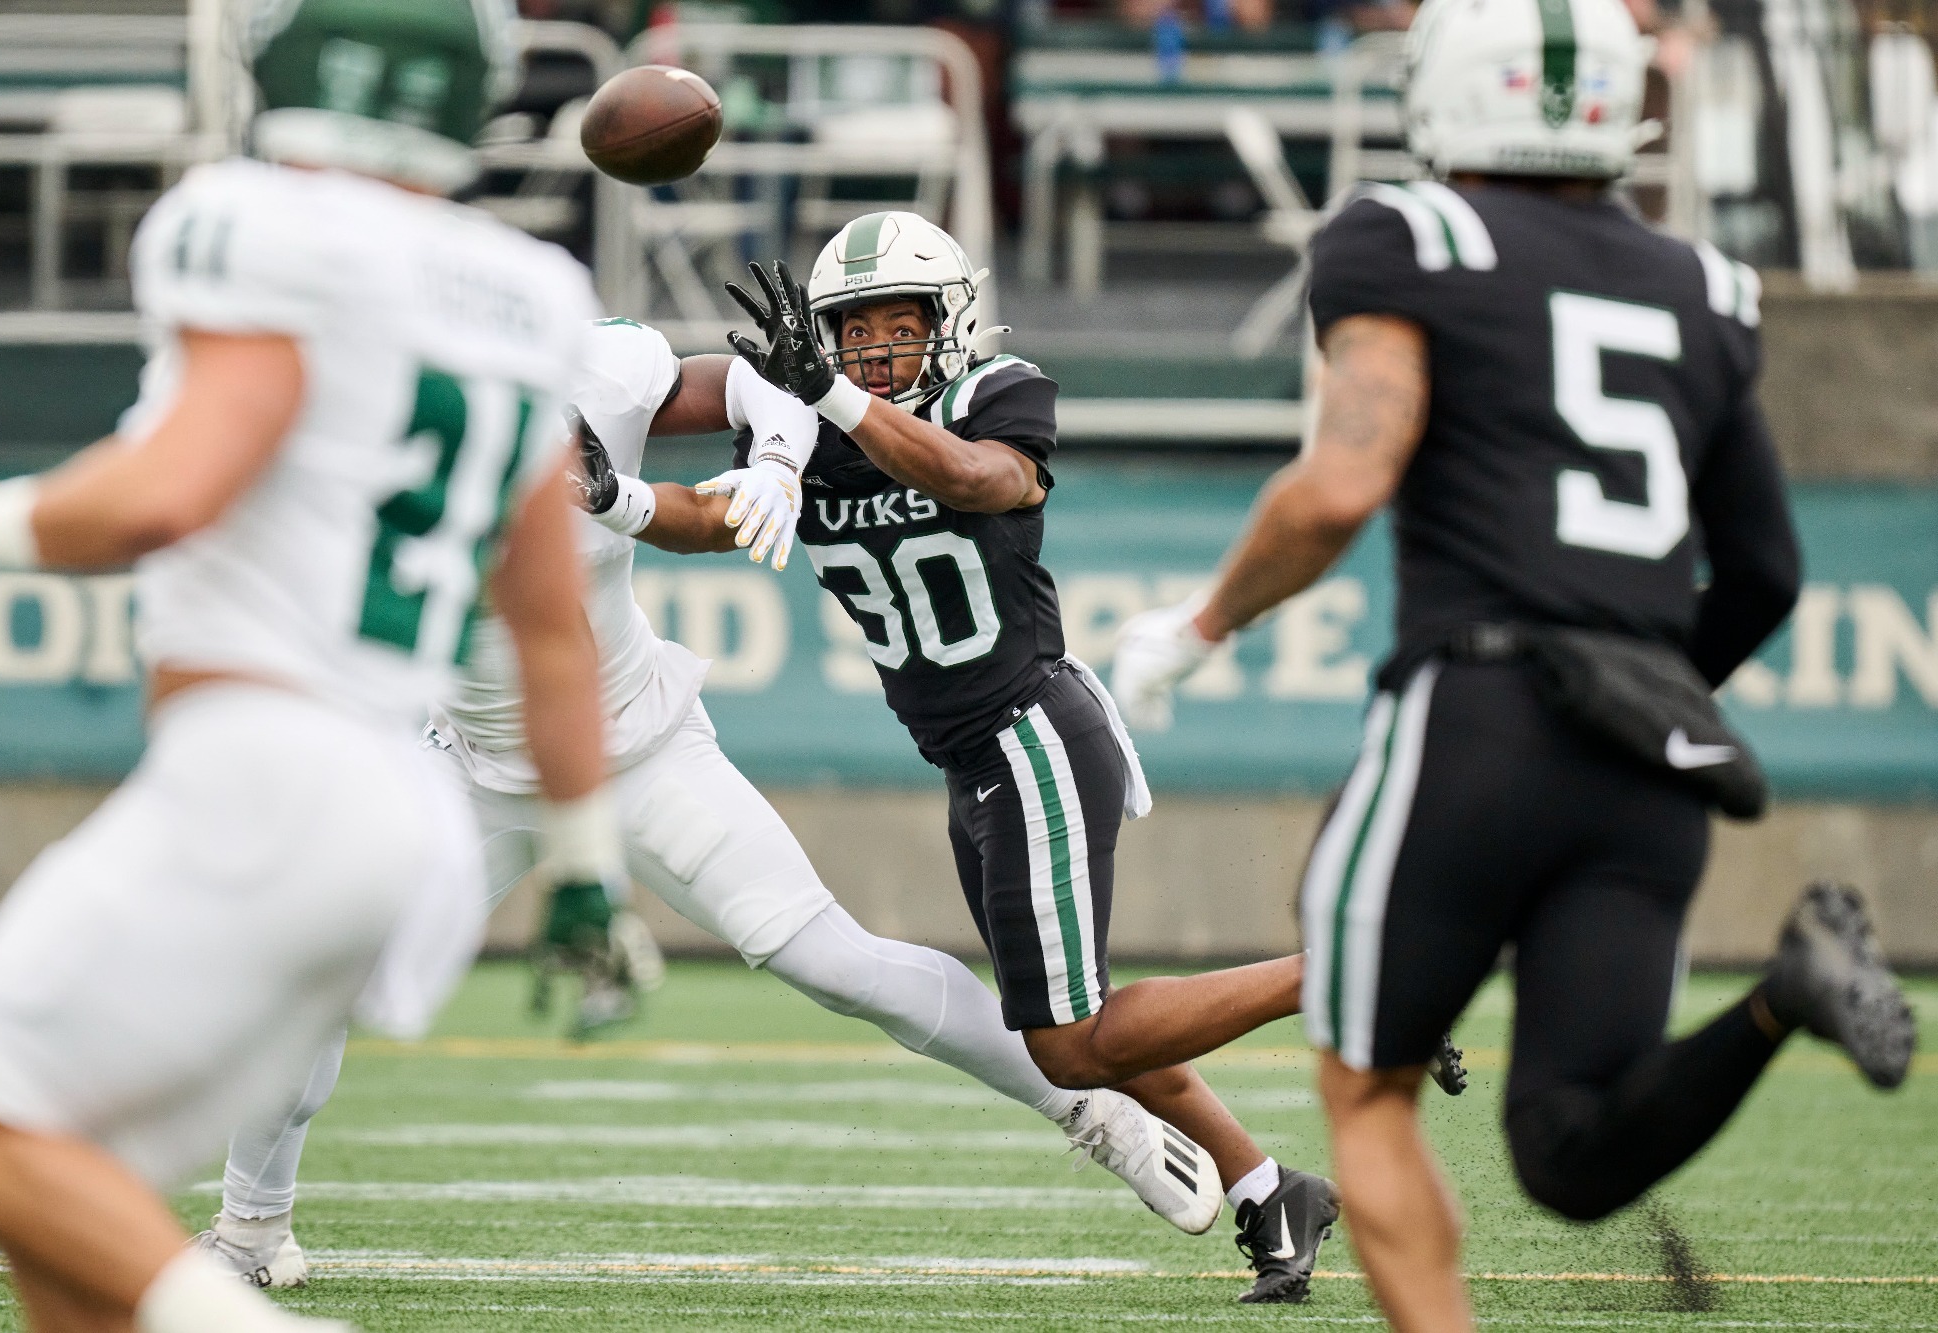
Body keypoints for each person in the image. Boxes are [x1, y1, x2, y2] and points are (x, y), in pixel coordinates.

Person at [1109, 0, 1917, 1328]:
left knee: (1366, 1087)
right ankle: (1783, 997)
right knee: (1571, 1148)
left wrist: (1197, 629)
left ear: (1447, 94)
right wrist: (1643, 685)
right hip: (1651, 750)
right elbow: (1767, 569)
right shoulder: (1701, 284)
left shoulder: (1408, 236)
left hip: (1476, 714)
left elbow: (1339, 486)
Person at [192, 316, 1242, 1289]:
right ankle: (249, 1228)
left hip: (641, 747)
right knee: (312, 980)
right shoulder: (325, 469)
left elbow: (755, 380)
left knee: (834, 961)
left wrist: (779, 463)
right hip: (466, 763)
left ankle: (1095, 1113)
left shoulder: (590, 374)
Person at [0, 2, 615, 1330]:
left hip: (269, 772)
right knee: (68, 1202)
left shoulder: (258, 223)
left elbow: (165, 493)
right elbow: (547, 617)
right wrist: (588, 865)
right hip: (393, 806)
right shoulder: (532, 290)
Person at [688, 212, 1354, 1304]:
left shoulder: (993, 391)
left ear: (946, 326)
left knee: (1066, 1042)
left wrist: (837, 401)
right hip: (970, 758)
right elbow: (720, 520)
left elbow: (981, 481)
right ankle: (1266, 1187)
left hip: (1029, 731)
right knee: (1072, 1015)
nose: (869, 356)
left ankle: (1336, 977)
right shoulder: (803, 428)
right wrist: (615, 500)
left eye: (894, 332)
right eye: (849, 336)